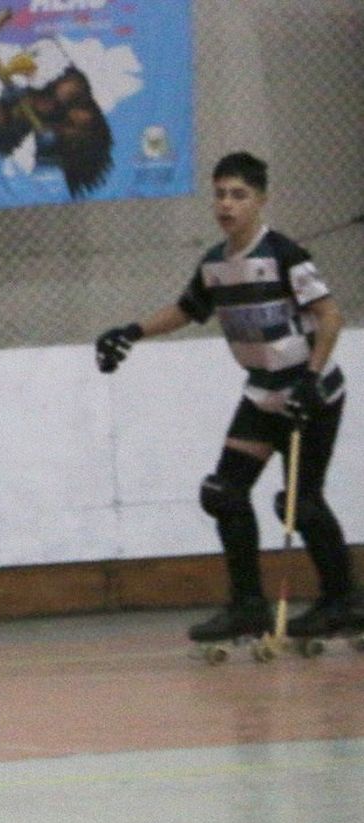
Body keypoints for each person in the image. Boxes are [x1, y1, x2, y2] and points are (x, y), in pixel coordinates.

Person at [95, 151, 362, 643]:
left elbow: (330, 316)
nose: (226, 204)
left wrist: (310, 375)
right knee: (224, 493)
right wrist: (131, 332)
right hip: (261, 394)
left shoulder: (284, 254)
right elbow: (186, 309)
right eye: (220, 193)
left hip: (310, 393)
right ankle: (248, 606)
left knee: (299, 504)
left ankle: (343, 601)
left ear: (260, 200)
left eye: (239, 195)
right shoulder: (216, 265)